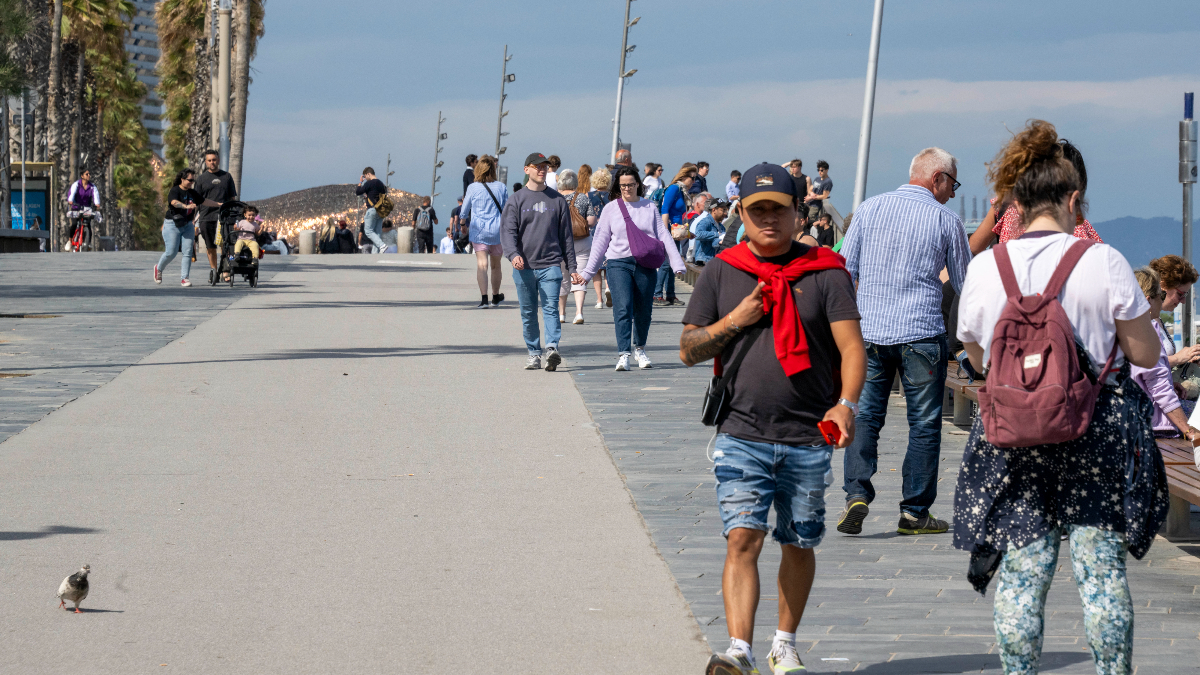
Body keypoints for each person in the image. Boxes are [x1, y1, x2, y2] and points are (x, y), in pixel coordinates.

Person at [953, 119, 1165, 675]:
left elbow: (977, 361)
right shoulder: (1104, 261)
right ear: (1074, 199)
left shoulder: (983, 269)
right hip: (1094, 431)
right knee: (1101, 577)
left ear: (1014, 205)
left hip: (1015, 438)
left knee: (1023, 574)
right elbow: (1144, 355)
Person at [678, 162, 865, 675]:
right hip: (740, 431)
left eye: (777, 210)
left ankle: (785, 643)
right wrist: (738, 318)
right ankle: (739, 649)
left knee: (798, 540)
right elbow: (688, 350)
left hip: (808, 434)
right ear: (740, 212)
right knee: (743, 536)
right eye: (757, 210)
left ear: (795, 212)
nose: (767, 220)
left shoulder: (825, 272)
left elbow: (852, 349)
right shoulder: (723, 270)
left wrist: (845, 405)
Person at [837, 146, 971, 537]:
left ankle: (856, 495)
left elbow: (845, 271)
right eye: (952, 184)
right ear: (937, 179)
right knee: (925, 425)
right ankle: (914, 513)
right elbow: (966, 285)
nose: (951, 193)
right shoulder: (946, 219)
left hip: (870, 332)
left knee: (864, 416)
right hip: (921, 333)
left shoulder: (868, 209)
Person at [574, 165, 685, 370]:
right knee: (623, 307)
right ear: (618, 186)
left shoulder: (649, 207)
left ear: (638, 185)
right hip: (618, 263)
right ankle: (623, 353)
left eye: (631, 185)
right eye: (623, 185)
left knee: (644, 310)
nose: (627, 189)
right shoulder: (611, 209)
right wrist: (588, 273)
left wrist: (677, 263)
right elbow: (600, 243)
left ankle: (640, 349)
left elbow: (664, 236)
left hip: (645, 264)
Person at [501, 152, 576, 372]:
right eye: (537, 167)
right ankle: (534, 353)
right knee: (528, 311)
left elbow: (566, 237)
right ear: (527, 170)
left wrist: (572, 267)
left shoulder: (557, 200)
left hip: (551, 264)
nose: (542, 170)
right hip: (524, 266)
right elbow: (507, 232)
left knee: (551, 308)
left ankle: (552, 348)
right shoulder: (516, 200)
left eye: (545, 167)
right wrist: (513, 254)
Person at [968, 138, 1103, 255]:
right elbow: (1098, 263)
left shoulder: (1004, 204)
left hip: (1008, 280)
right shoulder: (1076, 224)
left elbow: (974, 246)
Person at [1131, 266, 1196, 438]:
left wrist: (1168, 380)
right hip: (1153, 426)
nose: (1162, 300)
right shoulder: (1146, 333)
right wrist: (1190, 431)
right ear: (1147, 300)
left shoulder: (1118, 328)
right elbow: (1159, 388)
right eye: (1160, 296)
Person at [156, 168, 218, 287]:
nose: (191, 183)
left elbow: (204, 201)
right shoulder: (175, 190)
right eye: (189, 180)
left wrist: (219, 204)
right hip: (172, 224)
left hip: (187, 225)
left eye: (193, 180)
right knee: (171, 252)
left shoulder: (192, 192)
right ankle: (158, 269)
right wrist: (185, 206)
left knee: (188, 252)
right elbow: (173, 202)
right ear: (182, 179)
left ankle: (184, 278)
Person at [461, 155, 509, 308]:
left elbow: (465, 208)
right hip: (497, 231)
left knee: (482, 265)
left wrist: (462, 222)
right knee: (496, 266)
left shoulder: (473, 187)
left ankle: (484, 299)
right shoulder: (501, 187)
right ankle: (495, 297)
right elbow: (507, 209)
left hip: (479, 230)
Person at [655, 164, 696, 305]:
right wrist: (664, 233)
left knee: (673, 263)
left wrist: (687, 232)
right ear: (684, 176)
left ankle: (670, 295)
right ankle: (657, 294)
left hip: (677, 231)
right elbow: (664, 209)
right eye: (692, 178)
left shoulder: (682, 191)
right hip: (669, 231)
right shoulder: (674, 188)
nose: (694, 182)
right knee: (666, 263)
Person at [1149, 254, 1200, 367]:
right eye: (1180, 294)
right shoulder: (1141, 319)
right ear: (1163, 285)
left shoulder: (1156, 318)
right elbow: (1141, 365)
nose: (1183, 301)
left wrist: (1185, 360)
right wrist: (1178, 358)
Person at [555, 169, 592, 325]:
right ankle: (578, 313)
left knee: (563, 278)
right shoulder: (583, 197)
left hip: (561, 243)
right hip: (582, 241)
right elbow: (591, 221)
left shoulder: (555, 198)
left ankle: (562, 314)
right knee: (580, 276)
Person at [196, 150, 238, 278]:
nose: (212, 162)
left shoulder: (227, 177)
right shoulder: (201, 179)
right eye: (209, 160)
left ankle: (225, 270)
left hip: (224, 217)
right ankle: (214, 271)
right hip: (206, 217)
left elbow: (232, 198)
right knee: (210, 246)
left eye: (214, 159)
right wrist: (193, 220)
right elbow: (197, 201)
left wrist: (234, 216)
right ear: (206, 162)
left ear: (218, 160)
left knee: (225, 244)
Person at [588, 168, 613, 309]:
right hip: (609, 232)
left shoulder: (589, 196)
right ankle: (608, 288)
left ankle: (599, 300)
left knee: (596, 268)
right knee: (608, 264)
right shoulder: (613, 197)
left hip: (594, 233)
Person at [355, 167, 389, 254]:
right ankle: (375, 253)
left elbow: (358, 191)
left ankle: (382, 245)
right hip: (380, 211)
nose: (365, 178)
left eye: (365, 176)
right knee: (377, 232)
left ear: (368, 174)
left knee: (368, 231)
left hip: (372, 210)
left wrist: (360, 182)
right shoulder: (382, 184)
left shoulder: (369, 183)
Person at [691, 199, 726, 265]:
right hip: (703, 261)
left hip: (713, 261)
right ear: (714, 210)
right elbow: (698, 234)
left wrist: (719, 241)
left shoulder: (722, 227)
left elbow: (715, 243)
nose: (725, 213)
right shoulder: (705, 222)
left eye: (725, 210)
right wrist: (716, 234)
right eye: (723, 210)